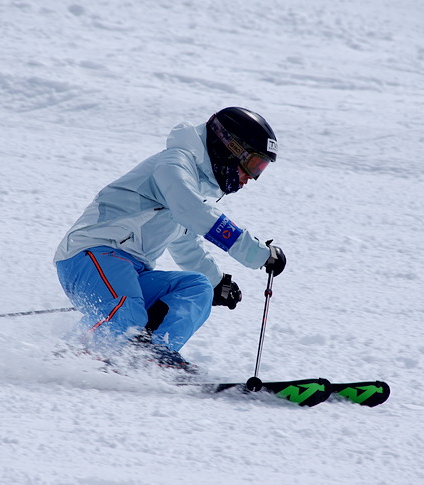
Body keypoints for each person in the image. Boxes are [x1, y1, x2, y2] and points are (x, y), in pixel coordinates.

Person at [53, 107, 287, 373]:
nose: (251, 178)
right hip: (90, 255)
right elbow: (192, 211)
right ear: (229, 147)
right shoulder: (174, 164)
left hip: (131, 269)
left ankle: (150, 357)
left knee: (198, 288)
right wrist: (258, 254)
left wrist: (215, 280)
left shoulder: (194, 184)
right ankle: (62, 360)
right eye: (253, 164)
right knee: (127, 316)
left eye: (261, 169)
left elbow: (184, 239)